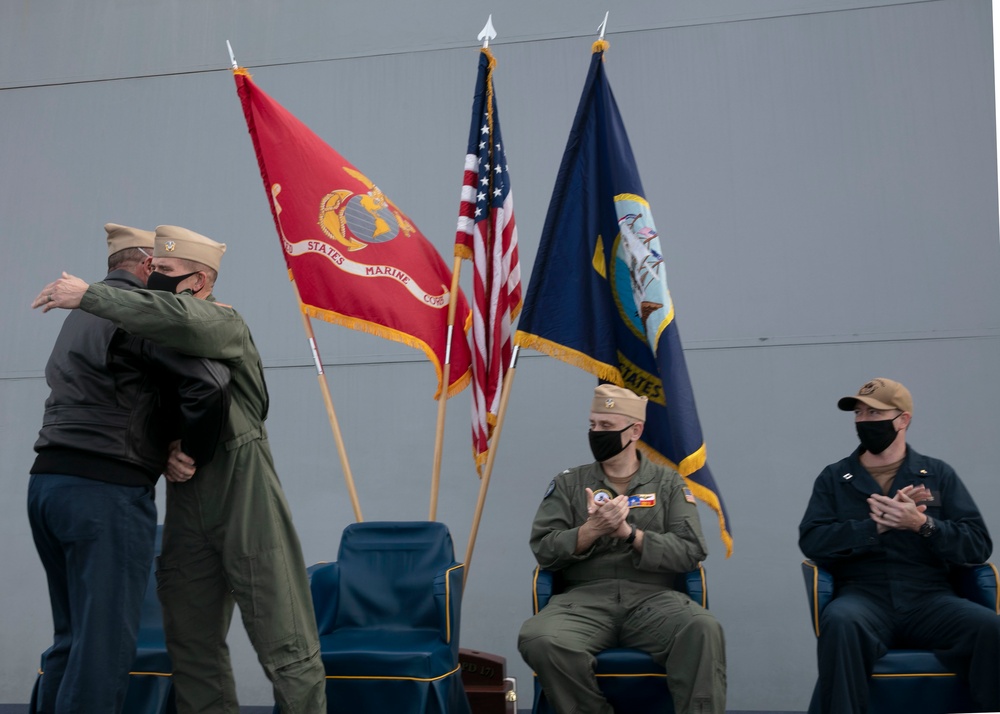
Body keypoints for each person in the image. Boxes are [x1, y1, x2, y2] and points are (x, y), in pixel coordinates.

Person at [33, 224, 327, 714]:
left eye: (167, 271)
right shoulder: (154, 331)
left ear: (199, 281)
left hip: (244, 484)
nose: (155, 278)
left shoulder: (220, 321)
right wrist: (176, 443)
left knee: (286, 641)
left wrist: (89, 296)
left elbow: (185, 324)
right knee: (191, 644)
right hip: (190, 494)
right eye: (154, 268)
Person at [28, 223, 231, 714]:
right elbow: (209, 385)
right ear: (145, 266)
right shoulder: (140, 317)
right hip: (106, 491)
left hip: (48, 484)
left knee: (72, 638)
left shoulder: (78, 316)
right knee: (103, 646)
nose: (161, 276)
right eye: (160, 267)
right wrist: (189, 452)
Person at [517, 384, 727, 714]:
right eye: (592, 425)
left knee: (703, 629)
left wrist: (630, 534)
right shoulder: (569, 483)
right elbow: (544, 548)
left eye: (606, 426)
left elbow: (691, 550)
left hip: (653, 598)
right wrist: (590, 531)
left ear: (635, 430)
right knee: (539, 638)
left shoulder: (668, 483)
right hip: (584, 599)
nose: (596, 433)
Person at [799, 377, 1000, 714]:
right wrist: (874, 526)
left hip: (929, 598)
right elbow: (813, 541)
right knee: (840, 622)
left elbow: (977, 545)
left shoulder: (937, 474)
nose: (864, 421)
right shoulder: (835, 478)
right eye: (859, 414)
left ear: (903, 419)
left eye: (875, 413)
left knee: (990, 629)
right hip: (864, 596)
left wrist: (923, 524)